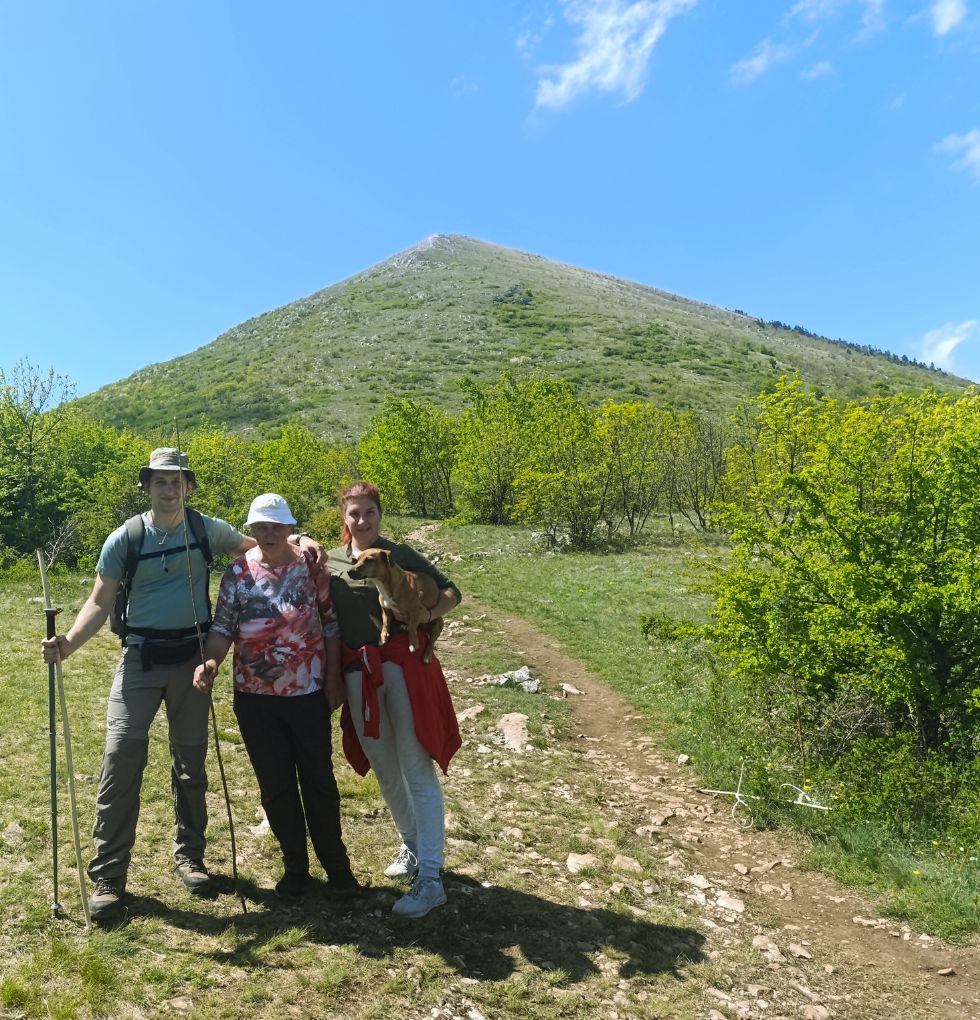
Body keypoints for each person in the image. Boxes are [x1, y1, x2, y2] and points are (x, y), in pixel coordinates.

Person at [41, 448, 322, 923]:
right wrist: (67, 643)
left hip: (192, 659)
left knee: (190, 764)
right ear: (147, 486)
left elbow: (259, 545)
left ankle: (191, 857)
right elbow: (100, 600)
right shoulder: (125, 538)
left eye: (176, 481)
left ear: (188, 486)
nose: (169, 489)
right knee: (120, 758)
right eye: (160, 481)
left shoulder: (205, 529)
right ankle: (108, 877)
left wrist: (300, 536)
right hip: (140, 659)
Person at [192, 493, 359, 899]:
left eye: (276, 527)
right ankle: (295, 868)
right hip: (255, 696)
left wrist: (333, 679)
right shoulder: (237, 572)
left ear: (289, 528)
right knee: (275, 783)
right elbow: (223, 627)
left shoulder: (311, 566)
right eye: (261, 527)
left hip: (308, 691)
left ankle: (338, 868)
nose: (268, 534)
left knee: (319, 781)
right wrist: (211, 662)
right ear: (251, 529)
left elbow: (330, 623)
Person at [327, 481, 462, 919]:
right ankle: (412, 847)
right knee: (385, 770)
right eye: (353, 513)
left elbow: (451, 592)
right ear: (343, 517)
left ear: (379, 514)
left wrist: (426, 615)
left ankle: (432, 879)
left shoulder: (398, 555)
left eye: (369, 512)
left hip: (404, 669)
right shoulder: (333, 560)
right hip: (357, 673)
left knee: (415, 767)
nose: (361, 520)